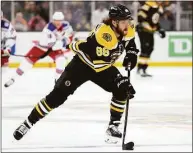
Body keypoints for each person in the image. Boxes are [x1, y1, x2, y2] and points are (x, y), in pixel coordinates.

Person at [13, 4, 138, 144]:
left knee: (121, 90)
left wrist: (132, 54)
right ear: (114, 22)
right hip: (82, 65)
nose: (127, 24)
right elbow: (97, 62)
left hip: (102, 66)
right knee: (56, 97)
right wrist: (119, 78)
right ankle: (28, 123)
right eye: (123, 21)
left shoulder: (127, 28)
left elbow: (130, 42)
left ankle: (113, 127)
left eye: (128, 21)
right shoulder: (105, 34)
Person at [4, 11, 74, 87]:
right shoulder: (48, 29)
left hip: (54, 49)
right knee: (26, 64)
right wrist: (64, 41)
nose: (58, 22)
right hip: (41, 48)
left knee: (61, 61)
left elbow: (70, 35)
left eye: (60, 20)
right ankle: (13, 78)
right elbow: (54, 46)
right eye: (56, 20)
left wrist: (66, 40)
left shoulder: (66, 25)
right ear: (53, 20)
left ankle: (58, 82)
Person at [136, 0, 166, 77]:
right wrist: (143, 23)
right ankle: (141, 69)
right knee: (145, 48)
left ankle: (143, 68)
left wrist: (159, 29)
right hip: (143, 30)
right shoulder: (149, 4)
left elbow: (154, 21)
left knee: (150, 48)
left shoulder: (159, 8)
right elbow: (140, 16)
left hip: (150, 31)